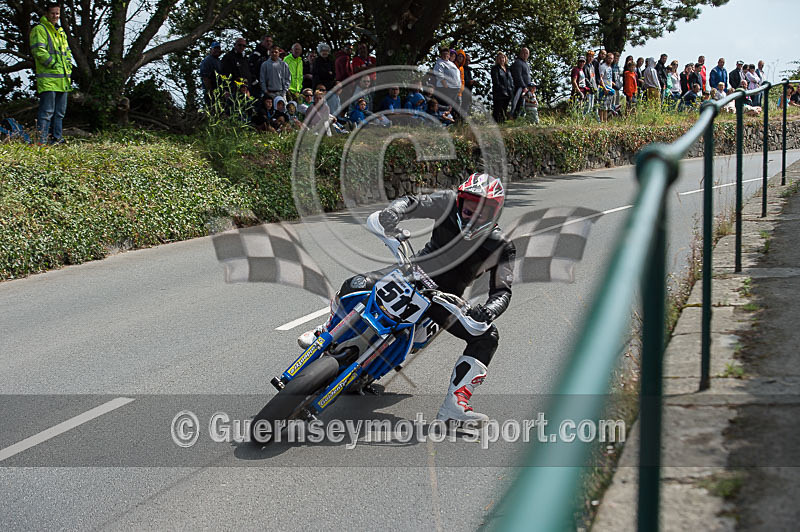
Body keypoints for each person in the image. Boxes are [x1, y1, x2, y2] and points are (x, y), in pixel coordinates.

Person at [298, 173, 515, 424]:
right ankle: (327, 329)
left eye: (482, 207)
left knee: (488, 337)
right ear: (461, 200)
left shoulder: (501, 245)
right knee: (355, 285)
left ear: (494, 211)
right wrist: (393, 212)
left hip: (444, 297)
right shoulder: (447, 201)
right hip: (412, 272)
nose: (473, 211)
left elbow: (502, 291)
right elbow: (412, 201)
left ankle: (455, 408)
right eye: (470, 203)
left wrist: (489, 311)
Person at [30, 2, 72, 145]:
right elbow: (38, 51)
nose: (55, 16)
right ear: (47, 14)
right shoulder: (40, 29)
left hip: (63, 79)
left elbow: (67, 53)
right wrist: (54, 64)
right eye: (53, 13)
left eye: (58, 13)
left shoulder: (60, 32)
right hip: (48, 78)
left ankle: (57, 139)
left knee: (59, 113)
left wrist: (68, 67)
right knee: (47, 112)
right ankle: (41, 141)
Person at [433, 45, 461, 116]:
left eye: (447, 54)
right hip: (445, 89)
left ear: (449, 55)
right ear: (441, 55)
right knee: (446, 107)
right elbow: (440, 76)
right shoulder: (439, 63)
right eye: (444, 54)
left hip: (455, 89)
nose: (446, 56)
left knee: (455, 107)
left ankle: (454, 121)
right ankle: (445, 121)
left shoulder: (451, 63)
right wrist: (446, 87)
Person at [247, 35, 273, 99]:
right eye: (267, 41)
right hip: (257, 88)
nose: (269, 43)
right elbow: (250, 69)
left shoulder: (270, 56)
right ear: (262, 42)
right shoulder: (256, 55)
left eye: (270, 41)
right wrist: (256, 83)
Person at [491, 52, 514, 123]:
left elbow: (511, 80)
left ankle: (502, 122)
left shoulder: (508, 69)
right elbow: (496, 81)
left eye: (503, 57)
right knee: (498, 109)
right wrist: (502, 90)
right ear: (497, 59)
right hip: (499, 93)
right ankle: (496, 124)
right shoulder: (495, 68)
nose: (502, 59)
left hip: (508, 92)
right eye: (500, 58)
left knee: (504, 109)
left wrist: (511, 89)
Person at [510, 47, 532, 118]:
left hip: (526, 87)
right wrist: (523, 86)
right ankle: (514, 118)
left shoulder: (526, 64)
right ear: (520, 54)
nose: (525, 54)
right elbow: (518, 76)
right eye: (523, 53)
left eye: (526, 53)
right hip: (520, 87)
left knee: (524, 104)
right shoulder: (518, 62)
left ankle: (521, 119)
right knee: (518, 104)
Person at [200, 41, 223, 108]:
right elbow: (205, 78)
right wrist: (210, 92)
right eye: (215, 48)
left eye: (218, 48)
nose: (217, 50)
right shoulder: (207, 61)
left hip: (219, 91)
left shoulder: (218, 61)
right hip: (211, 92)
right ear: (211, 50)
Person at [583, 50, 599, 117]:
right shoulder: (585, 66)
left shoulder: (592, 66)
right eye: (589, 56)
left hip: (593, 88)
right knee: (587, 106)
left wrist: (595, 87)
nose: (591, 58)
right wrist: (590, 86)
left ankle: (588, 120)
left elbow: (593, 78)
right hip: (588, 88)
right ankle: (584, 119)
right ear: (586, 57)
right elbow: (586, 78)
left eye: (592, 57)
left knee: (592, 106)